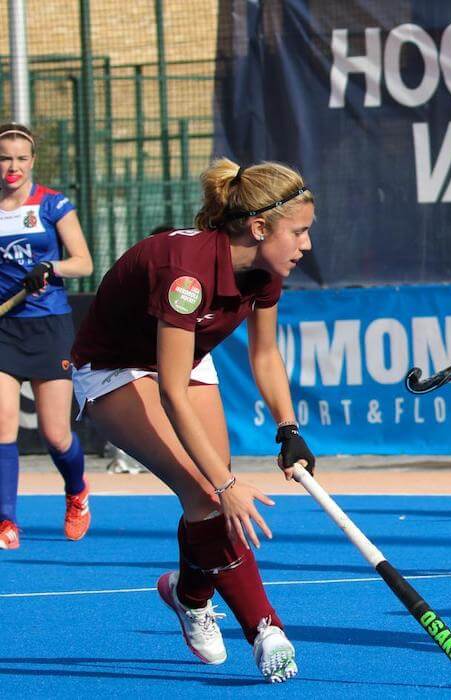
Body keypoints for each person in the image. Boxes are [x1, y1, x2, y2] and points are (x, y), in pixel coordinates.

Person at [70, 158, 318, 681]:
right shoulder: (186, 273)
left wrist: (288, 429)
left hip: (181, 357)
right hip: (115, 367)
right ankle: (265, 630)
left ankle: (188, 595)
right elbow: (172, 392)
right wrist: (226, 482)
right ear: (258, 228)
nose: (306, 245)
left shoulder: (264, 273)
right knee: (208, 492)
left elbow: (266, 356)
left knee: (207, 495)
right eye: (298, 232)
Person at [0, 123, 94, 550]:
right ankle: (6, 521)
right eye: (5, 158)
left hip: (49, 326)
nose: (12, 167)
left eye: (21, 158)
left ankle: (76, 492)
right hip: (4, 329)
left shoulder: (54, 204)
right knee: (2, 426)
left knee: (57, 435)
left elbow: (83, 263)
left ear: (33, 161)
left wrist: (51, 268)